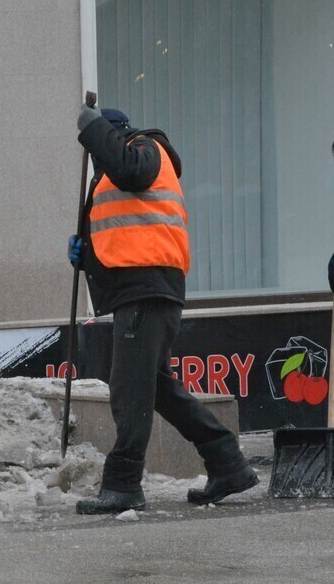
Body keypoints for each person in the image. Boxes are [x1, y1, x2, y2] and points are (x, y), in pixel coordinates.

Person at [70, 104, 258, 514]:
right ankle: (228, 463)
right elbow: (125, 232)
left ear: (114, 134)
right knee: (158, 391)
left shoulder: (147, 148)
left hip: (146, 290)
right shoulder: (123, 166)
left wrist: (91, 127)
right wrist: (86, 254)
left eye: (104, 142)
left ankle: (122, 485)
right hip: (141, 290)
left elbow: (129, 172)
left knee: (128, 392)